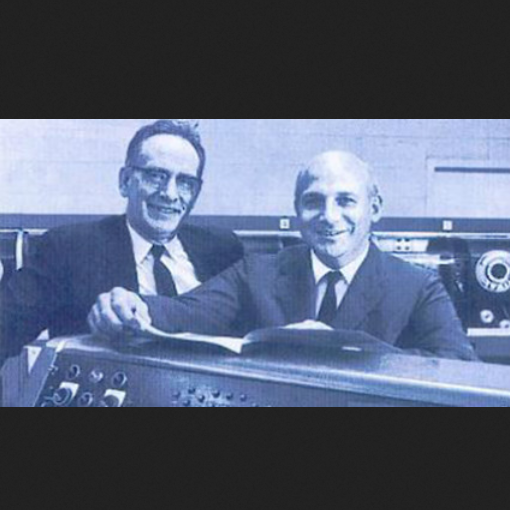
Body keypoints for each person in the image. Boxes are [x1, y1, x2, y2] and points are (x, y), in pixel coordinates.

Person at [87, 151, 477, 361]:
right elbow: (187, 311)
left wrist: (349, 348)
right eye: (313, 202)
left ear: (374, 208)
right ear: (297, 211)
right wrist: (133, 305)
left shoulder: (417, 285)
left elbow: (458, 367)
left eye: (345, 201)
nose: (328, 217)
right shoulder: (256, 272)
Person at [0, 120, 244, 366]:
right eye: (156, 176)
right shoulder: (69, 248)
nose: (170, 194)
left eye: (185, 182)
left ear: (196, 193)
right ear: (125, 181)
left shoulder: (223, 249)